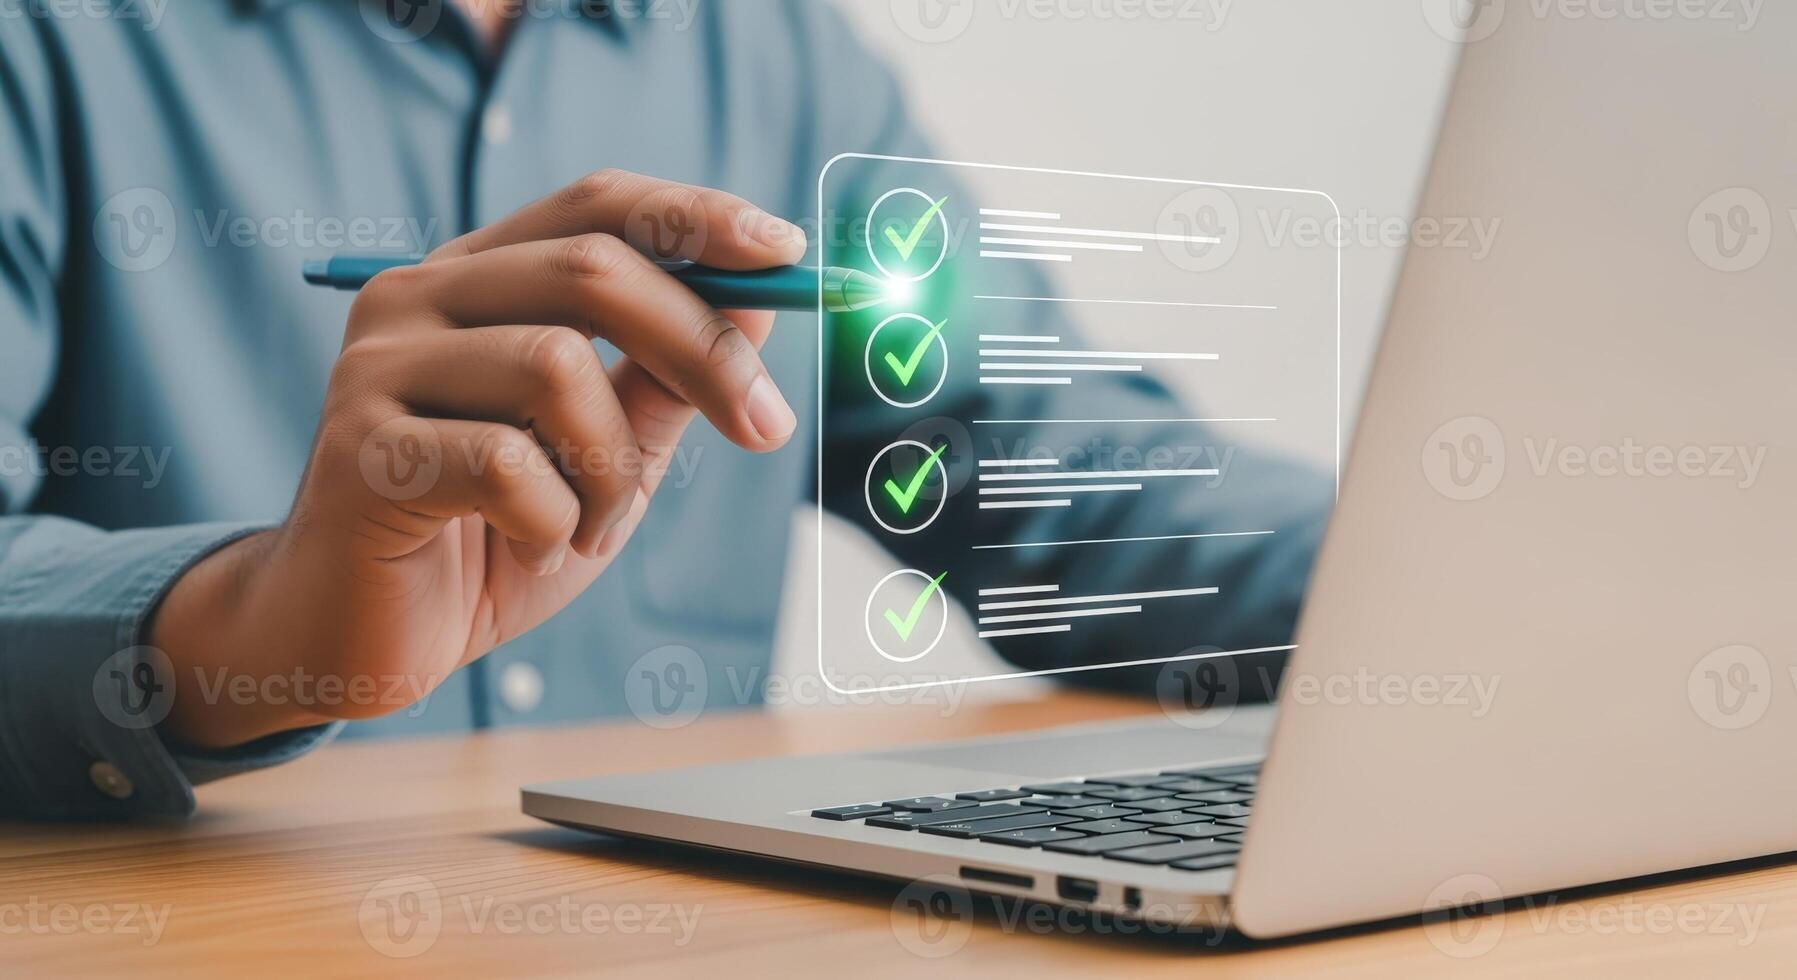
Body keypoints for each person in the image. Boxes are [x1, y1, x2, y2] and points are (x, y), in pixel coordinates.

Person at [0, 0, 1330, 820]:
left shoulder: (782, 52)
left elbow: (1039, 461)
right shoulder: (48, 40)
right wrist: (245, 628)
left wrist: (1463, 577)